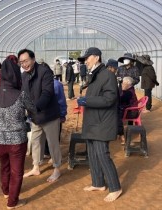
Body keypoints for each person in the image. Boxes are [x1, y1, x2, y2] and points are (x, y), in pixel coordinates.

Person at [0, 59, 36, 209]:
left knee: (4, 167)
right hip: (17, 140)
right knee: (17, 172)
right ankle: (12, 202)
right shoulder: (20, 94)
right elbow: (33, 109)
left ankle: (6, 191)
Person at [77, 47, 122, 202]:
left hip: (102, 122)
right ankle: (98, 183)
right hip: (92, 121)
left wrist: (86, 101)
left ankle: (115, 188)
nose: (85, 61)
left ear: (96, 57)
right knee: (92, 153)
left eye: (87, 58)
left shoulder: (107, 75)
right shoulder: (95, 75)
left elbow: (109, 99)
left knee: (102, 154)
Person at [18, 49, 62, 182]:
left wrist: (35, 107)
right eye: (21, 62)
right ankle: (36, 166)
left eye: (26, 61)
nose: (24, 64)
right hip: (35, 117)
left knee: (52, 142)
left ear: (33, 59)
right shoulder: (24, 76)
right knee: (36, 141)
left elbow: (47, 93)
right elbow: (22, 94)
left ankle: (57, 169)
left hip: (49, 115)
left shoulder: (45, 72)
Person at [43, 76, 67, 159]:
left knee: (54, 135)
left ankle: (52, 155)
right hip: (46, 114)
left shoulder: (56, 85)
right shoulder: (40, 83)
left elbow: (61, 100)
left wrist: (62, 114)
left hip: (54, 114)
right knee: (48, 135)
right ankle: (47, 152)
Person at [118, 77, 138, 144]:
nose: (122, 85)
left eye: (123, 83)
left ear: (128, 85)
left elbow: (119, 100)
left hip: (131, 112)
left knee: (116, 115)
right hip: (131, 110)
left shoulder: (128, 92)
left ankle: (122, 135)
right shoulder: (129, 90)